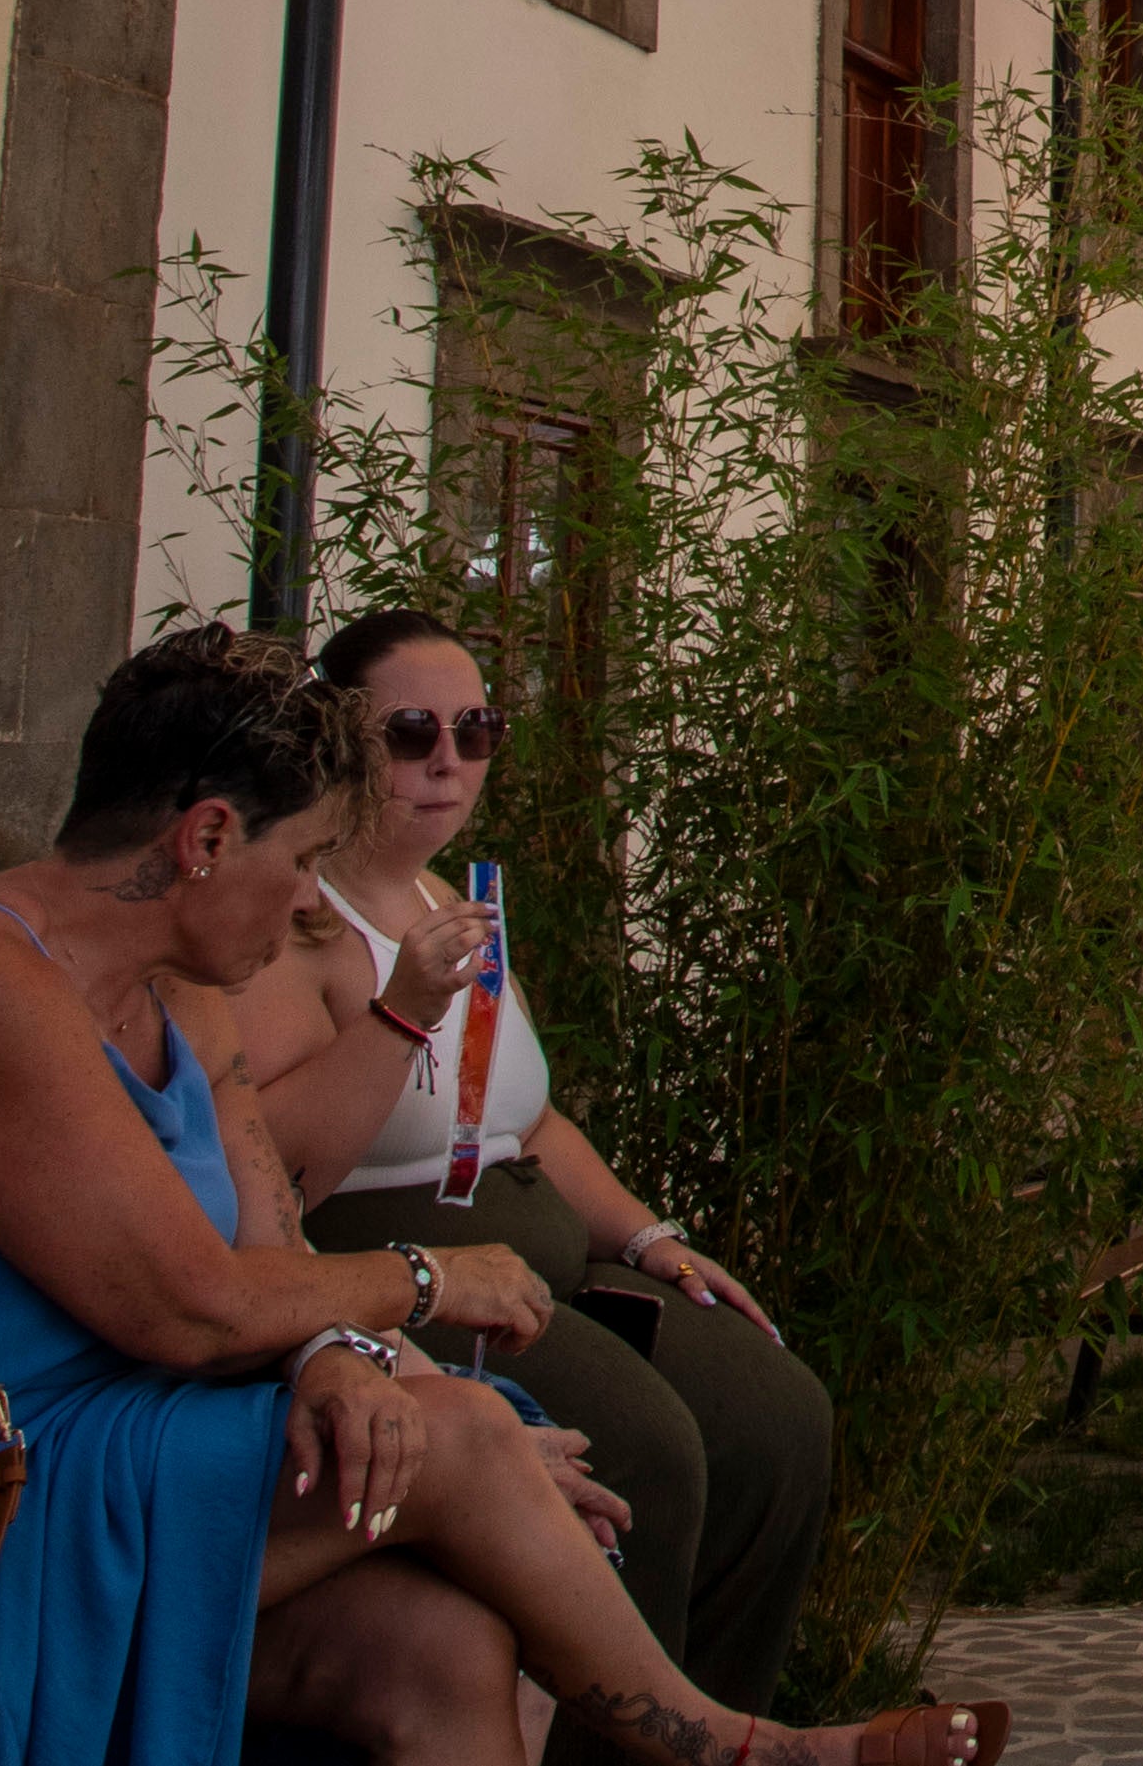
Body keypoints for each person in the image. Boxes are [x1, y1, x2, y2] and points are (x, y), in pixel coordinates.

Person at [0, 625, 1000, 1766]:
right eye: (305, 862)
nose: (307, 906)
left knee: (436, 1647)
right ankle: (738, 1746)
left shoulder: (179, 988)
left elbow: (264, 1244)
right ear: (207, 837)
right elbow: (199, 1307)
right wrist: (429, 1284)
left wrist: (340, 1353)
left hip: (102, 1447)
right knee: (475, 1439)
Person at [236, 609, 835, 1708]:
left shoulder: (456, 898)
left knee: (779, 1419)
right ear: (339, 742)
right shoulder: (297, 920)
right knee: (649, 1453)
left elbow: (530, 1120)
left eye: (478, 729)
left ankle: (725, 1715)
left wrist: (653, 1238)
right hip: (412, 1263)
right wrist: (402, 1010)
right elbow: (274, 1164)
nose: (449, 760)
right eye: (411, 731)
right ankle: (632, 1733)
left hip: (539, 1245)